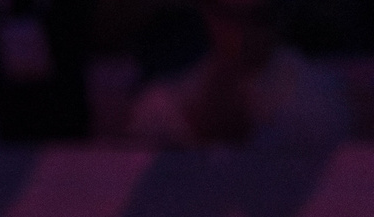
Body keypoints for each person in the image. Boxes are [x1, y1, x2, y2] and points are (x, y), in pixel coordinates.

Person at [127, 0, 350, 146]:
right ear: (208, 15)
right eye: (228, 15)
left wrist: (247, 133)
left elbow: (327, 133)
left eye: (256, 17)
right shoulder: (177, 85)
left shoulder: (318, 92)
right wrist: (195, 125)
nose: (241, 31)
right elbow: (144, 126)